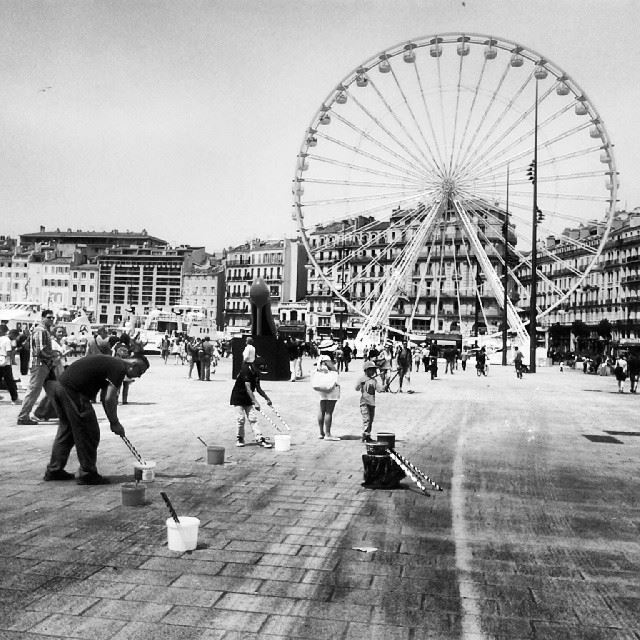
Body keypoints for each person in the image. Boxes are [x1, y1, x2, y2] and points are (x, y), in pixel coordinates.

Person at [43, 354, 150, 484]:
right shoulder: (119, 368)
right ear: (133, 364)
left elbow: (105, 396)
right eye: (140, 372)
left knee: (67, 432)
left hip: (60, 387)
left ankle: (54, 470)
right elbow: (110, 398)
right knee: (89, 431)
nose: (139, 376)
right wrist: (114, 422)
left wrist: (113, 422)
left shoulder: (113, 363)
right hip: (73, 392)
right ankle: (87, 473)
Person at [17, 310, 57, 425]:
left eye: (52, 317)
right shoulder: (41, 330)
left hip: (45, 365)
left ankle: (54, 413)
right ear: (43, 318)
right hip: (40, 365)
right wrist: (52, 355)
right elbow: (40, 351)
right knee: (34, 391)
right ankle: (23, 417)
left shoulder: (44, 331)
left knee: (54, 391)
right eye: (49, 317)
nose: (51, 319)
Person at [230, 356, 273, 448]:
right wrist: (256, 402)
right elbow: (248, 389)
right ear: (254, 366)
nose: (259, 373)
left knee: (253, 418)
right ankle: (240, 438)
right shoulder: (246, 371)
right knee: (240, 419)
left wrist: (267, 398)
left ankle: (259, 438)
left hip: (248, 398)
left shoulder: (256, 373)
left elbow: (258, 388)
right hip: (238, 397)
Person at [312, 353, 341, 440]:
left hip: (321, 386)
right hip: (330, 387)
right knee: (329, 411)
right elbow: (334, 370)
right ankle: (328, 434)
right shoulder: (327, 358)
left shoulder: (320, 358)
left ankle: (321, 432)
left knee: (322, 409)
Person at [355, 361, 384, 443]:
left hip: (372, 403)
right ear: (366, 370)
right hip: (364, 402)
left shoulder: (374, 380)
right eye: (371, 370)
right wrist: (360, 383)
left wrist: (384, 386)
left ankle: (368, 435)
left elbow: (379, 390)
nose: (373, 372)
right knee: (366, 419)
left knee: (371, 420)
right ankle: (365, 434)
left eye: (373, 370)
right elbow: (356, 388)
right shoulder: (362, 379)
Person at [0, 324, 19, 404]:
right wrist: (7, 361)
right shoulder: (7, 340)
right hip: (5, 362)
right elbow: (8, 352)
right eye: (15, 337)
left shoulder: (1, 338)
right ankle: (14, 399)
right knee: (9, 381)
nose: (14, 339)